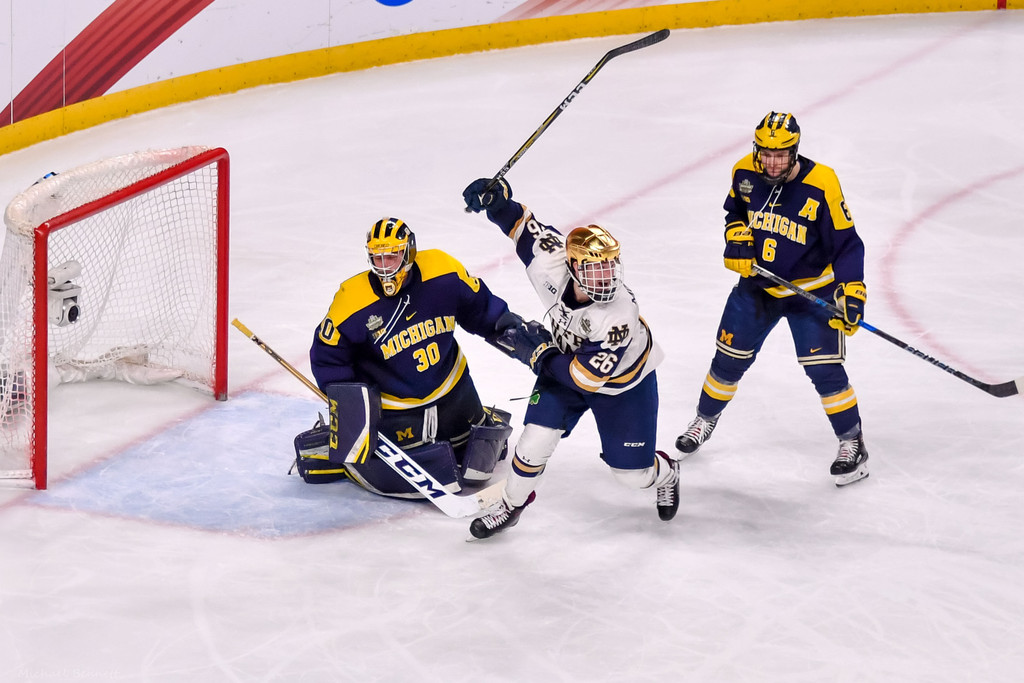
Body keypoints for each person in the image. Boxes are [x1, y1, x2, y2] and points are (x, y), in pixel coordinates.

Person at [462, 177, 678, 539]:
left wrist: (539, 355)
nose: (606, 277)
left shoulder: (618, 314)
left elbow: (585, 379)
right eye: (595, 269)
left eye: (610, 267)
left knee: (631, 477)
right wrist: (496, 201)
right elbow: (521, 226)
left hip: (623, 386)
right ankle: (512, 505)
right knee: (532, 444)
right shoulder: (550, 261)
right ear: (573, 265)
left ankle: (666, 472)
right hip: (566, 366)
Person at [675, 111, 870, 486]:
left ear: (795, 152)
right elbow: (735, 212)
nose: (773, 162)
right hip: (758, 287)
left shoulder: (822, 182)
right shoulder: (743, 173)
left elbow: (847, 245)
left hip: (812, 292)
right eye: (766, 153)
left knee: (824, 370)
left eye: (781, 154)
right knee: (727, 362)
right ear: (756, 149)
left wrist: (853, 291)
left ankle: (852, 443)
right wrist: (738, 240)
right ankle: (704, 419)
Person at [298, 216, 522, 498]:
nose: (384, 267)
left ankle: (476, 420)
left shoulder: (442, 270)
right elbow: (328, 358)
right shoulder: (351, 301)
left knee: (479, 463)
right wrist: (352, 405)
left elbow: (480, 309)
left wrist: (513, 331)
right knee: (412, 469)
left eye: (392, 257)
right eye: (377, 259)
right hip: (395, 408)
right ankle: (340, 451)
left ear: (409, 252)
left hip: (453, 391)